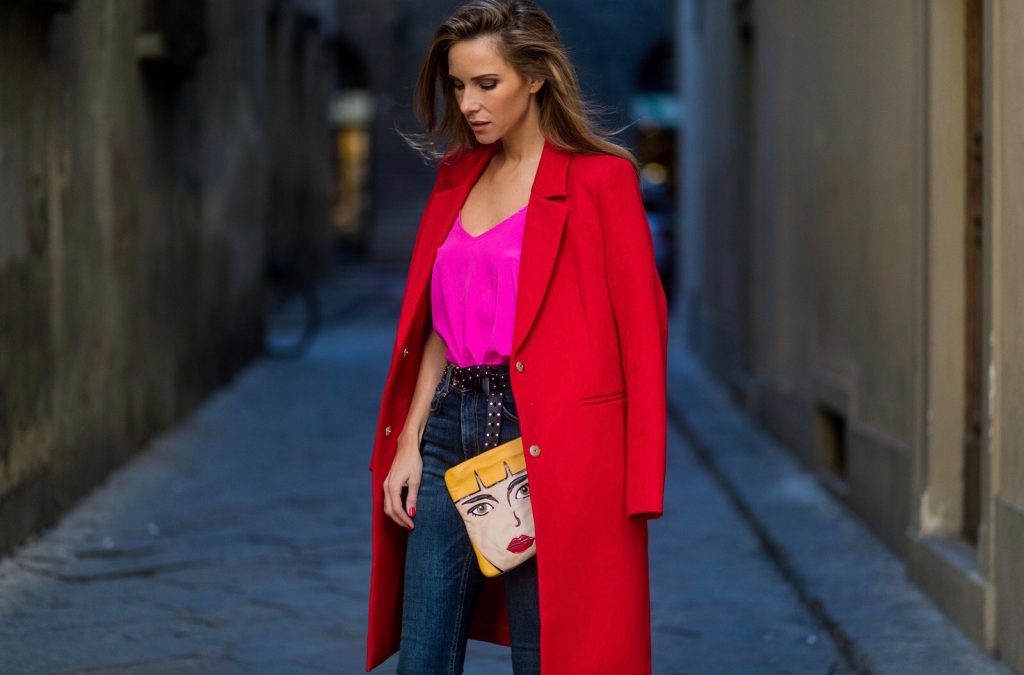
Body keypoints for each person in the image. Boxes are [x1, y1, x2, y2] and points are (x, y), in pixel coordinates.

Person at [365, 1, 668, 673]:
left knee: (548, 654)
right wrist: (410, 441)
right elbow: (438, 327)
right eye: (458, 85)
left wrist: (640, 483)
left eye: (487, 83)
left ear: (535, 78)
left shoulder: (600, 181)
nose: (468, 103)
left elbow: (642, 335)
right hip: (450, 431)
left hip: (549, 440)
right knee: (423, 656)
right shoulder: (455, 179)